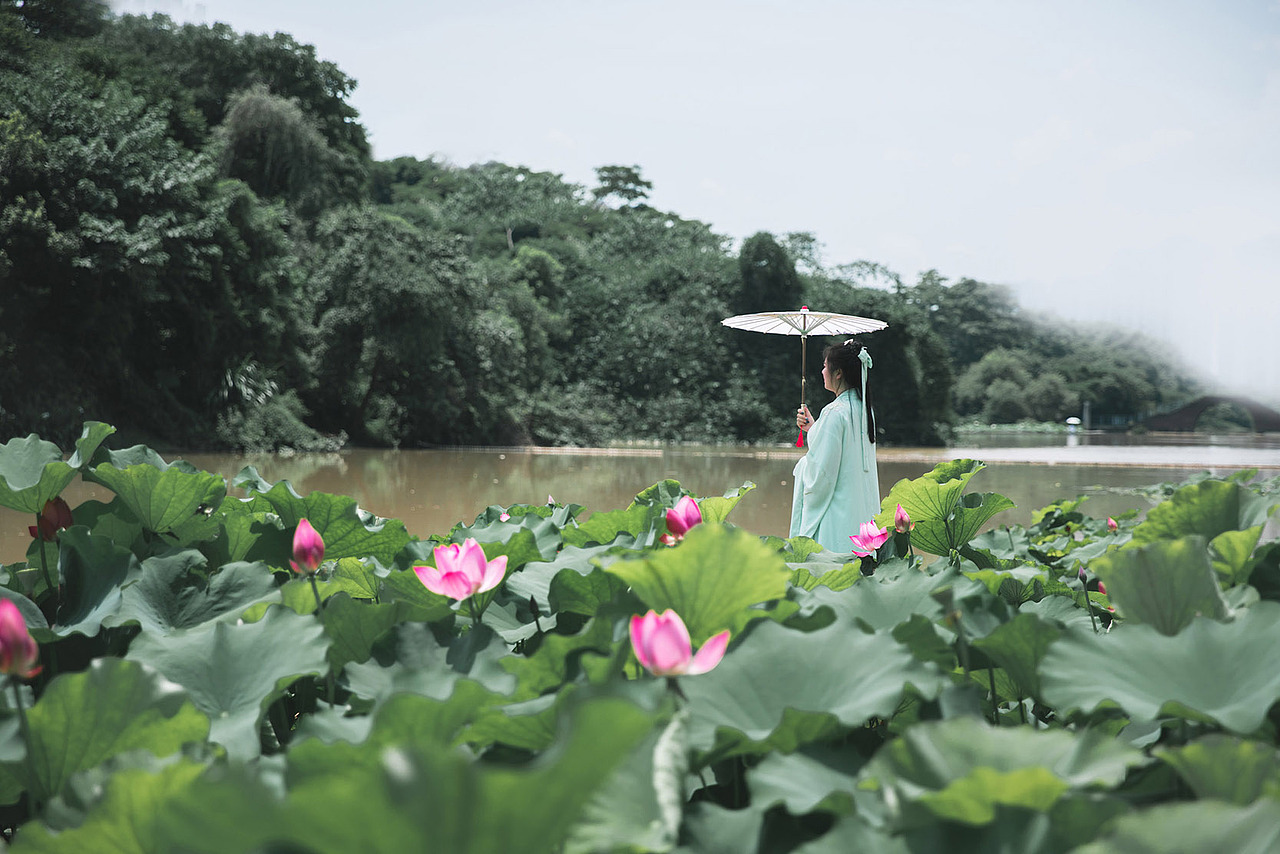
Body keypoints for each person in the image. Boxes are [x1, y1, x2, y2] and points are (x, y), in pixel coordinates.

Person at [789, 338, 880, 551]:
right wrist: (814, 429)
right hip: (860, 510)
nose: (822, 371)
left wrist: (803, 466)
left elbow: (822, 474)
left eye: (824, 366)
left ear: (838, 372)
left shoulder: (833, 412)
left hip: (837, 514)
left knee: (831, 573)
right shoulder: (864, 409)